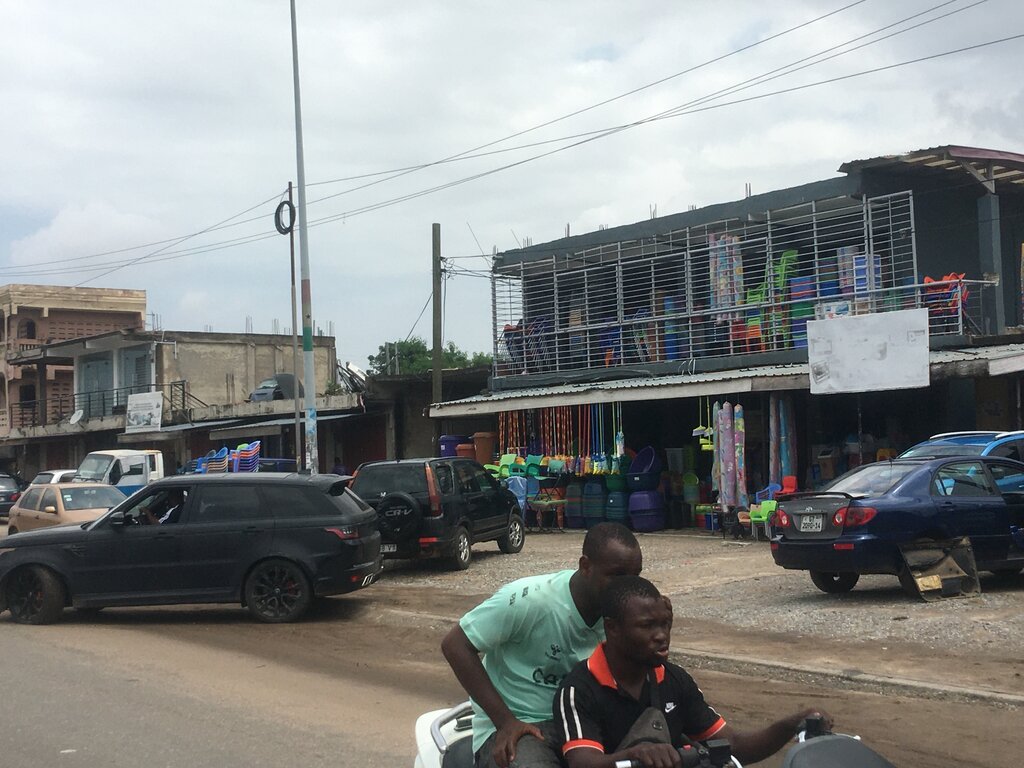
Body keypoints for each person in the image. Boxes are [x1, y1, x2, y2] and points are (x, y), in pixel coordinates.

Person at [554, 576, 831, 768]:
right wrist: (638, 754)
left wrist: (791, 724)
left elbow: (732, 745)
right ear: (612, 629)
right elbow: (584, 762)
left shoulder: (674, 680)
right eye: (648, 626)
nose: (662, 636)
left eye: (665, 624)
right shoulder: (579, 689)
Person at [441, 522, 643, 768]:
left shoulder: (621, 615)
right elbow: (456, 645)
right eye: (617, 576)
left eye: (635, 577)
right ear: (586, 566)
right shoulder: (530, 600)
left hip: (584, 725)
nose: (627, 588)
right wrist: (505, 722)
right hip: (524, 725)